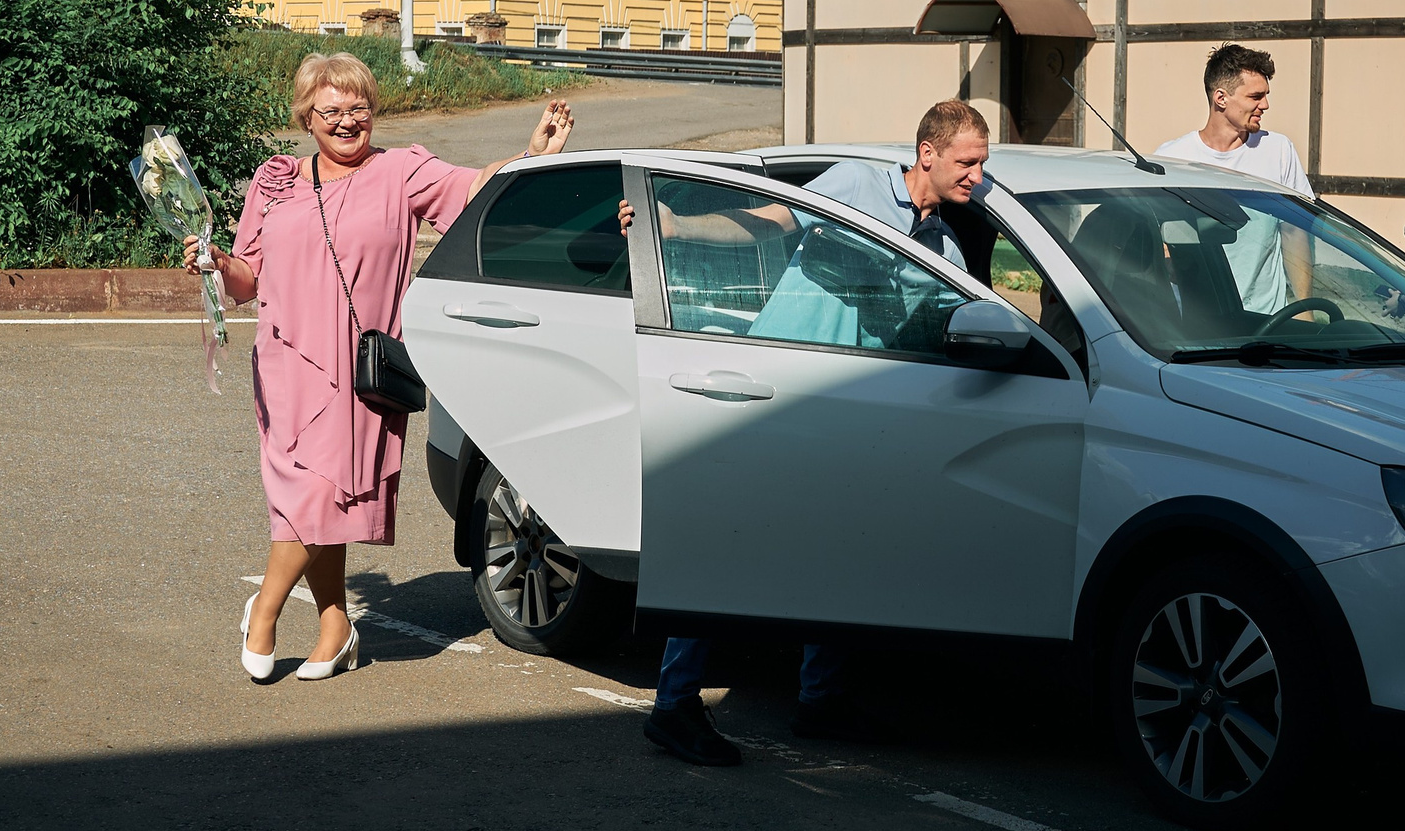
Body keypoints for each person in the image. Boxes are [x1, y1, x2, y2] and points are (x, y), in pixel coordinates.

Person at [186, 53, 578, 683]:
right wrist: (213, 260)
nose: (346, 122)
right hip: (286, 364)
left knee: (322, 492)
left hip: (360, 367)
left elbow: (474, 190)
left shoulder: (400, 171)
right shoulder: (276, 179)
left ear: (373, 112)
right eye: (331, 111)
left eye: (358, 110)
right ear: (307, 116)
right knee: (311, 501)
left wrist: (530, 158)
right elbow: (247, 277)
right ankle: (337, 626)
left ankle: (264, 609)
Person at [627, 99, 993, 767]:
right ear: (928, 153)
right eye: (967, 162)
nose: (975, 176)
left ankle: (820, 698)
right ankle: (673, 705)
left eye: (981, 164)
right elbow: (768, 221)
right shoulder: (856, 184)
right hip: (782, 395)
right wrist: (674, 225)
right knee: (732, 546)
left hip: (855, 416)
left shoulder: (947, 249)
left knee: (843, 553)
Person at [1154, 44, 1313, 318]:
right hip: (1196, 320)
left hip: (1265, 319)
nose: (1265, 105)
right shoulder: (1172, 158)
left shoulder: (1278, 151)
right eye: (1255, 96)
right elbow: (1159, 238)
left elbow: (1294, 232)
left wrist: (1303, 307)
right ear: (1221, 98)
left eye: (1265, 95)